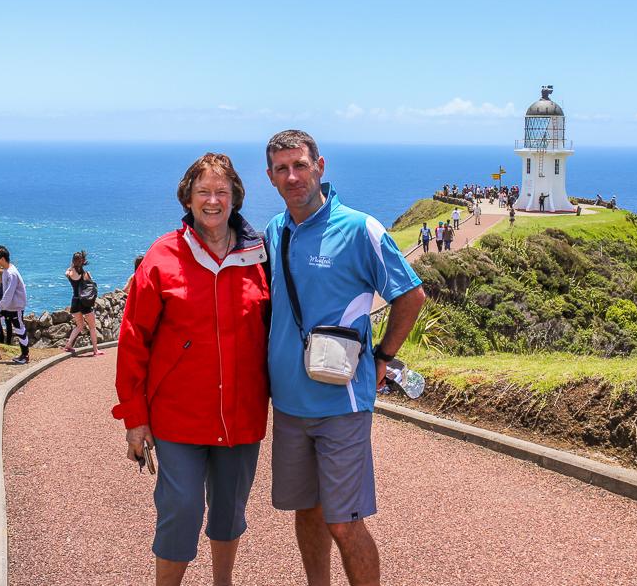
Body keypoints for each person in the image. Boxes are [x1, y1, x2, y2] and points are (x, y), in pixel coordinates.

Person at [264, 130, 425, 586]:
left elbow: (411, 296)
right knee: (308, 513)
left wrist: (384, 356)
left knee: (344, 521)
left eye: (300, 165)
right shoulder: (276, 232)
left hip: (342, 404)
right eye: (282, 168)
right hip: (290, 405)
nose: (293, 176)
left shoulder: (359, 228)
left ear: (320, 166)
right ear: (271, 177)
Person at [112, 153, 270, 586]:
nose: (213, 200)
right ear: (188, 198)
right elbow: (132, 341)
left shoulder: (261, 256)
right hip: (176, 416)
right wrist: (134, 419)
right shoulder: (162, 257)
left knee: (229, 512)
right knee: (180, 508)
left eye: (222, 191)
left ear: (235, 197)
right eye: (204, 191)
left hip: (242, 413)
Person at [0, 246, 29, 364]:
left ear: (2, 258)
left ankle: (25, 355)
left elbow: (8, 294)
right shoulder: (7, 270)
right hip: (9, 305)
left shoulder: (11, 273)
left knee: (19, 329)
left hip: (15, 306)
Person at [63, 250, 104, 356]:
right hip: (85, 302)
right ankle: (95, 350)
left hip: (75, 301)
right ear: (82, 262)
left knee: (79, 326)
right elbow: (91, 286)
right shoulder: (86, 274)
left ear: (73, 261)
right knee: (92, 327)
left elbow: (66, 272)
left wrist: (72, 266)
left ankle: (68, 345)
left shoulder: (70, 273)